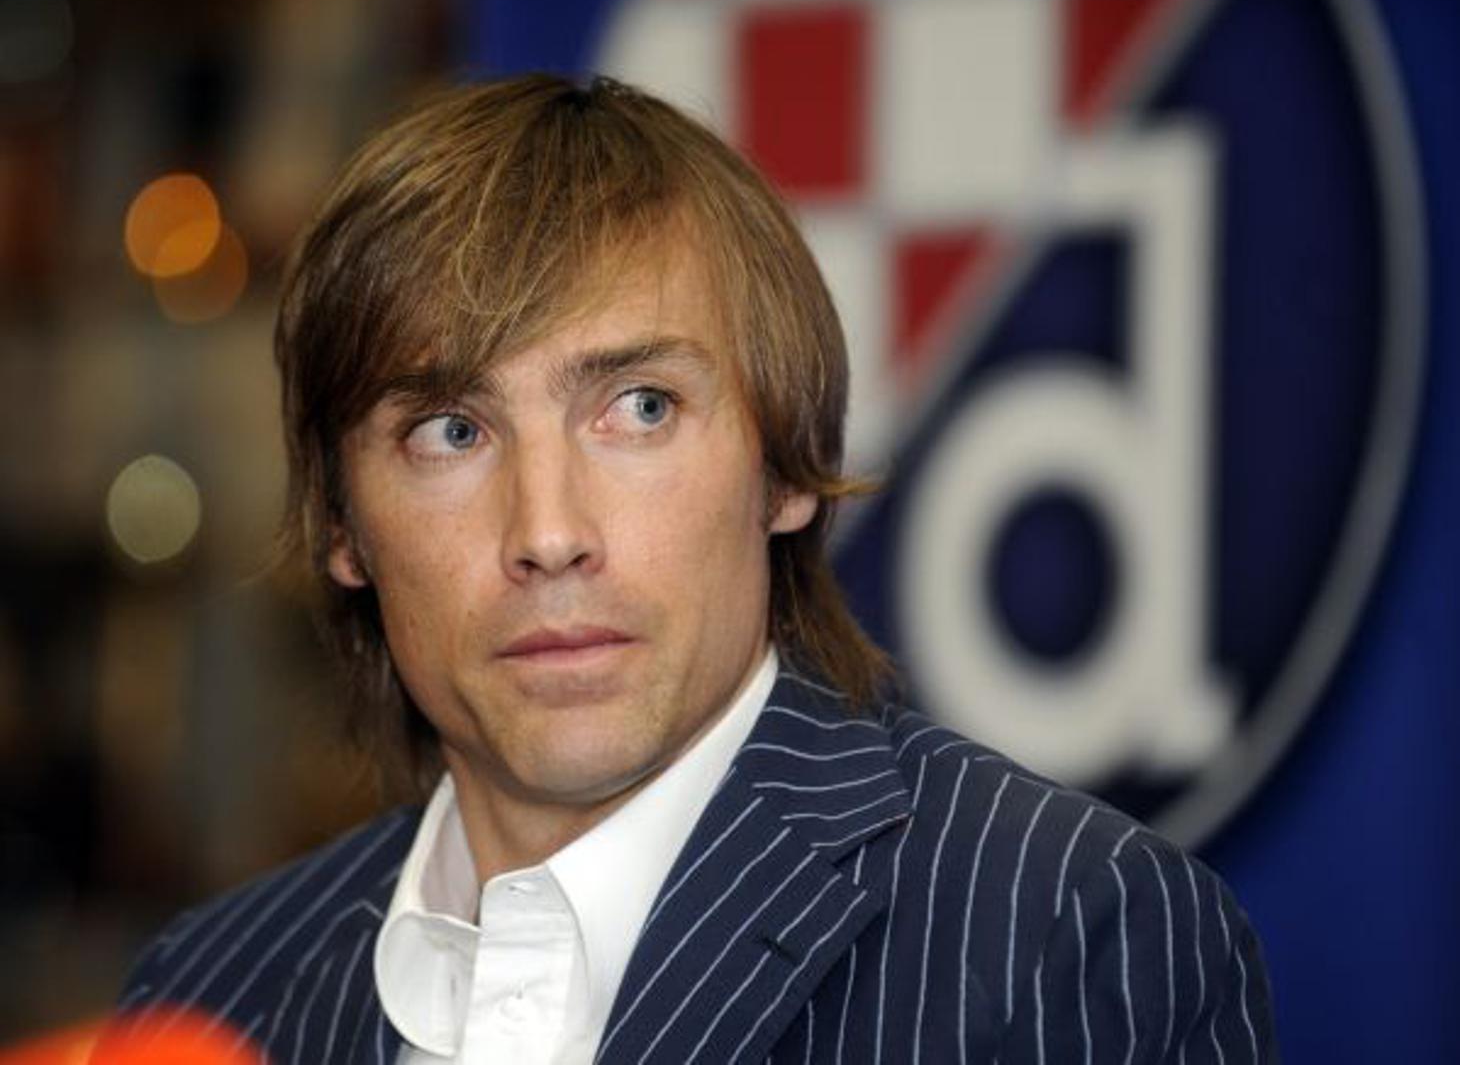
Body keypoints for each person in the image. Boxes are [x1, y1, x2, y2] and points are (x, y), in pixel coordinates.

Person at [116, 74, 1276, 1063]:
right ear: (342, 525)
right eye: (451, 432)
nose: (548, 530)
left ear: (782, 466)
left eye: (640, 408)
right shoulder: (210, 1002)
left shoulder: (1063, 938)